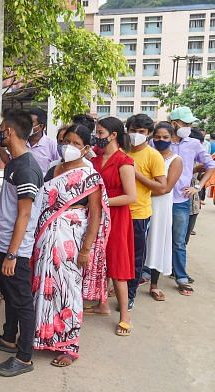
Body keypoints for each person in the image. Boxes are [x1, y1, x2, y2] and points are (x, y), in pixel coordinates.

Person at [31, 124, 109, 366]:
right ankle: (43, 336)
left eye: (76, 143)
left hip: (71, 241)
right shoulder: (53, 170)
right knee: (43, 285)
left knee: (68, 290)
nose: (69, 147)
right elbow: (41, 204)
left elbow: (95, 214)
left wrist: (86, 249)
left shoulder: (89, 176)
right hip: (45, 239)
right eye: (66, 142)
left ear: (86, 148)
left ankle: (69, 345)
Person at [0, 110, 42, 377]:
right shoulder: (16, 161)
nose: (0, 133)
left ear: (11, 131)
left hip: (16, 249)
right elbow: (9, 202)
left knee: (22, 301)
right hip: (2, 243)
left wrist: (13, 254)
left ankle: (25, 357)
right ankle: (8, 337)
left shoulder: (27, 168)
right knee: (11, 297)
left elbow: (25, 215)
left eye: (2, 130)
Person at [87, 117, 136, 337]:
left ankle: (125, 316)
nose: (97, 136)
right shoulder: (95, 159)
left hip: (116, 216)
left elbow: (131, 196)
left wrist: (103, 202)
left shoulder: (124, 161)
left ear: (113, 135)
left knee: (117, 267)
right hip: (98, 215)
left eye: (100, 132)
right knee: (99, 260)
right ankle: (102, 305)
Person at [167, 107, 215, 296]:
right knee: (153, 237)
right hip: (159, 198)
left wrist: (199, 186)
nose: (188, 127)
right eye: (185, 124)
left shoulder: (194, 143)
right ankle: (147, 273)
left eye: (189, 124)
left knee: (179, 241)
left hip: (181, 199)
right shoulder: (161, 142)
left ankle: (181, 277)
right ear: (174, 124)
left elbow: (211, 165)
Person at [126, 114, 165, 311]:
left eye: (141, 132)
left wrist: (137, 174)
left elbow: (161, 187)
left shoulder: (153, 156)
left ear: (148, 134)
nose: (136, 135)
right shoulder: (122, 150)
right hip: (117, 211)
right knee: (115, 254)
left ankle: (130, 295)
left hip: (139, 214)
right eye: (133, 130)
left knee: (135, 257)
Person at [143, 122, 182, 302]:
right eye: (157, 136)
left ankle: (154, 285)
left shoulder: (175, 160)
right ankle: (132, 281)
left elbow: (165, 189)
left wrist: (139, 188)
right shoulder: (147, 155)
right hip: (141, 203)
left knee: (158, 241)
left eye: (165, 137)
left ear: (172, 138)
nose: (160, 140)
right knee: (139, 242)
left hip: (160, 205)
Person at [0, 107, 59, 174]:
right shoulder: (20, 141)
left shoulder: (52, 145)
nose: (27, 125)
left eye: (31, 123)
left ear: (41, 126)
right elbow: (9, 161)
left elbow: (58, 167)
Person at [185, 128, 206, 245]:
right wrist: (194, 170)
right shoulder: (177, 156)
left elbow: (199, 178)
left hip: (194, 205)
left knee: (184, 241)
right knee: (177, 242)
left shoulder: (199, 158)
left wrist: (202, 174)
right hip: (179, 204)